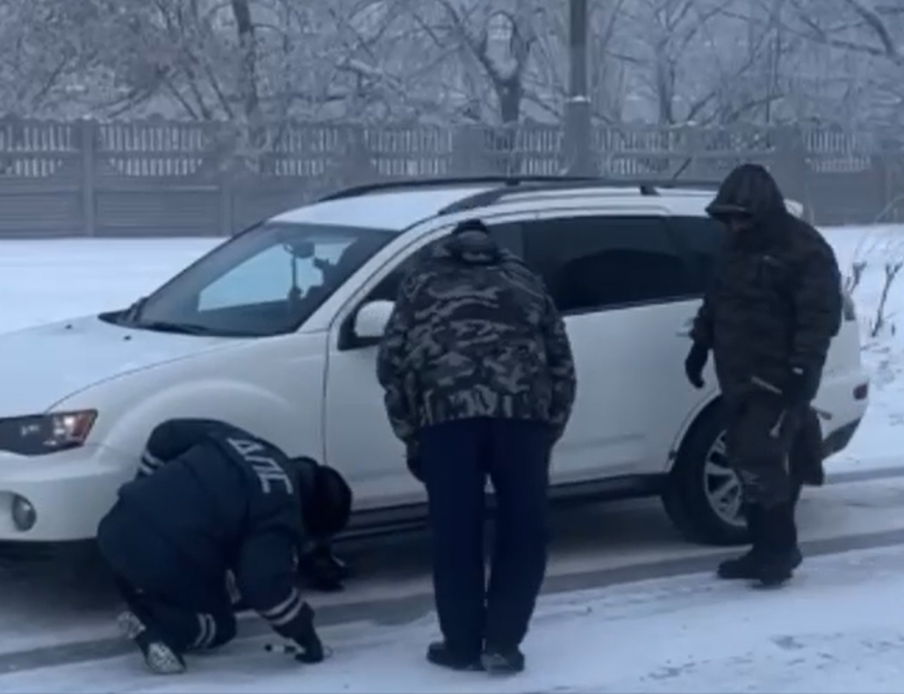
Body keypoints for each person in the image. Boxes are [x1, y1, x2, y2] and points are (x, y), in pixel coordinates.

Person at [375, 219, 577, 674]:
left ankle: (462, 644)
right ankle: (503, 643)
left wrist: (412, 437)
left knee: (456, 534)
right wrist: (548, 429)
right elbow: (561, 360)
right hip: (521, 419)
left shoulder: (420, 282)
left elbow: (391, 364)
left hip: (445, 422)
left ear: (448, 247)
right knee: (523, 532)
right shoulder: (526, 279)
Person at [684, 163, 843, 588]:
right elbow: (717, 299)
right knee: (743, 456)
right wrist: (700, 345)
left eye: (742, 218)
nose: (735, 226)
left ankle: (779, 550)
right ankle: (762, 548)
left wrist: (801, 366)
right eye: (729, 219)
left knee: (760, 458)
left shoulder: (804, 249)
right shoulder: (734, 247)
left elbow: (819, 316)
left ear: (764, 212)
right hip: (738, 371)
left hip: (781, 374)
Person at [96, 418, 353, 675]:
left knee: (210, 575)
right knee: (220, 625)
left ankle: (136, 588)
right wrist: (305, 635)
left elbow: (166, 434)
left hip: (117, 522)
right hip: (158, 555)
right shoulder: (281, 509)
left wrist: (145, 486)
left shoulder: (247, 442)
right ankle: (157, 625)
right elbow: (263, 585)